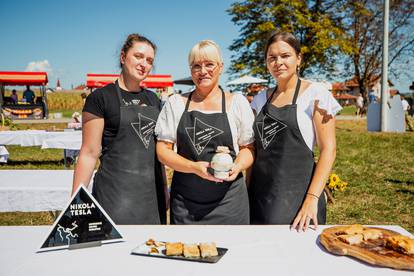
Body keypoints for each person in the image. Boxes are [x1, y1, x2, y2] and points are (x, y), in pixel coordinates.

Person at [249, 32, 342, 231]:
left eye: (285, 56)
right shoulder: (259, 99)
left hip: (298, 199)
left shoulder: (316, 95)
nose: (278, 62)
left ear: (298, 59)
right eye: (272, 58)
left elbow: (329, 150)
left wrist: (311, 200)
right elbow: (254, 149)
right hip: (259, 195)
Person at [155, 40, 255, 224]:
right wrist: (194, 167)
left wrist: (238, 166)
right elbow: (163, 151)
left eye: (209, 64)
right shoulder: (176, 103)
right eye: (196, 66)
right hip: (186, 203)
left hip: (230, 202)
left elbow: (248, 148)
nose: (203, 71)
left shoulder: (237, 102)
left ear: (221, 67)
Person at [72, 34, 166, 225]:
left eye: (149, 60)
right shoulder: (100, 98)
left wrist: (164, 190)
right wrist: (76, 202)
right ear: (123, 57)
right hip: (114, 197)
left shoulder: (154, 100)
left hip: (151, 198)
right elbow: (89, 153)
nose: (144, 64)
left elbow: (158, 152)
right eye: (138, 56)